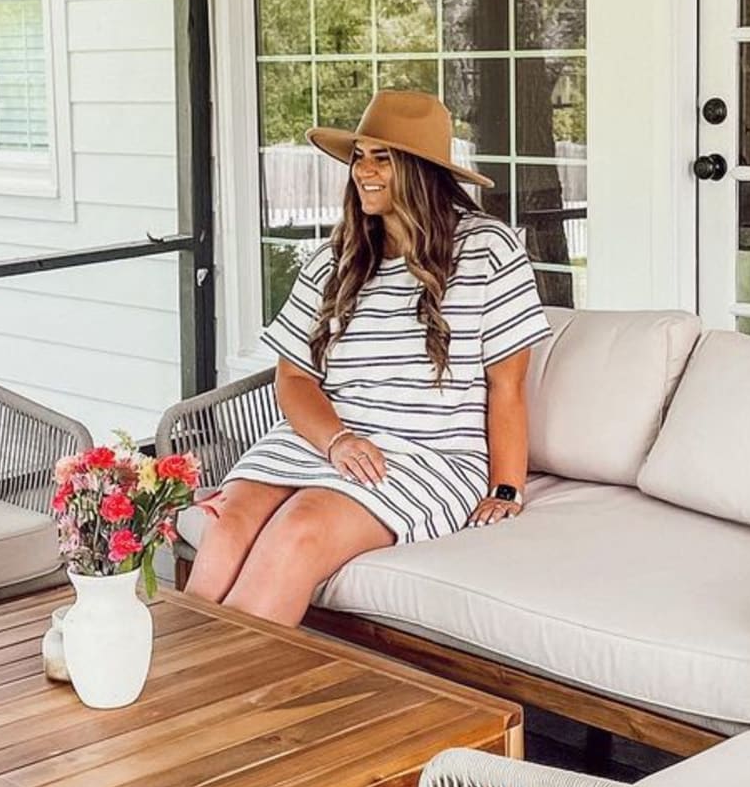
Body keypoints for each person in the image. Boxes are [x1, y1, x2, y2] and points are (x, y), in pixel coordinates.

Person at [188, 88, 550, 627]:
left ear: (422, 171)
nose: (364, 170)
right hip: (324, 441)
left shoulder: (488, 250)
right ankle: (176, 683)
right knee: (229, 523)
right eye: (359, 156)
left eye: (383, 158)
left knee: (298, 528)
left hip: (427, 456)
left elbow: (508, 387)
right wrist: (335, 440)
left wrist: (505, 489)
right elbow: (294, 379)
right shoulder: (334, 259)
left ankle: (218, 700)